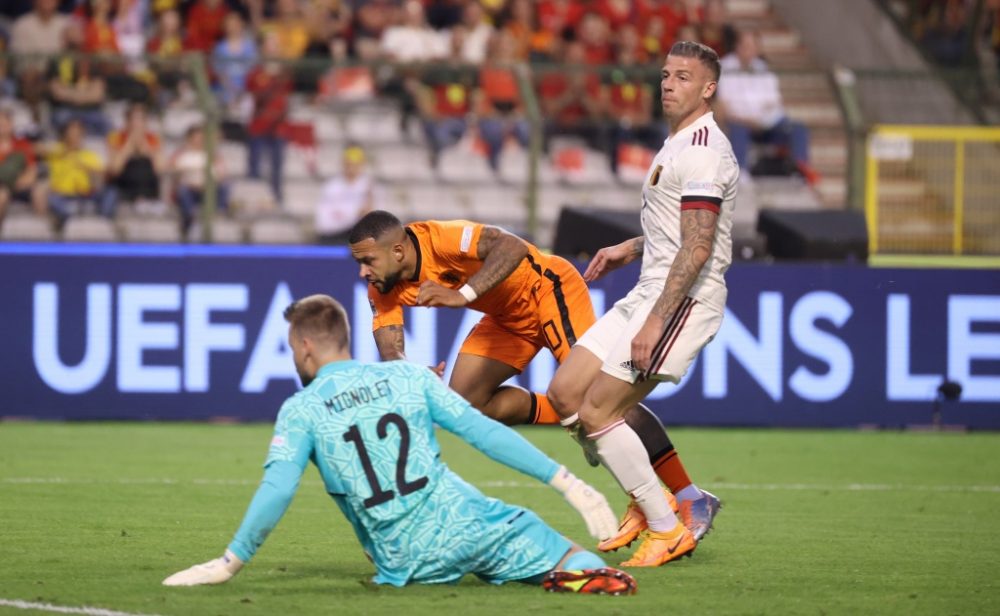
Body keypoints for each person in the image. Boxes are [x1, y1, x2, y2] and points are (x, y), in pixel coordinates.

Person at [162, 294, 635, 594]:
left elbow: (278, 489)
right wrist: (568, 483)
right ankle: (570, 572)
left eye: (291, 348)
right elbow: (483, 432)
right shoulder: (408, 377)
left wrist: (230, 562)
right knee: (575, 559)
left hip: (401, 559)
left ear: (305, 346)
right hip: (471, 527)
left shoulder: (301, 409)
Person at [347, 210, 715, 540]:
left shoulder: (442, 237)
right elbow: (390, 345)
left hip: (547, 289)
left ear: (397, 251)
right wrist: (409, 369)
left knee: (600, 396)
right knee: (467, 404)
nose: (363, 271)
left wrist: (463, 294)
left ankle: (689, 496)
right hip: (507, 320)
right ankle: (577, 419)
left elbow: (512, 246)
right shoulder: (382, 286)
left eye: (367, 261)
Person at [546, 41, 737, 567]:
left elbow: (699, 247)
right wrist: (629, 248)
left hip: (682, 298)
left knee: (600, 408)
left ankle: (666, 525)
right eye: (665, 74)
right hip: (649, 287)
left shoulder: (701, 150)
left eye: (683, 76)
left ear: (708, 88)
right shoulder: (675, 144)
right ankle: (648, 495)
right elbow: (676, 231)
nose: (669, 84)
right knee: (566, 394)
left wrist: (656, 321)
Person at [716, 30, 816, 184]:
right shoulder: (725, 68)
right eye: (744, 46)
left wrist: (763, 120)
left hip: (766, 124)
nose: (747, 50)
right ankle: (741, 174)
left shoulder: (764, 70)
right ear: (737, 47)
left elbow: (774, 103)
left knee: (797, 128)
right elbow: (723, 107)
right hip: (739, 122)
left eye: (752, 46)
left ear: (758, 49)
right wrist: (748, 120)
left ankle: (799, 172)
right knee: (737, 128)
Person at [314, 143, 377, 244]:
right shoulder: (331, 187)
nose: (352, 168)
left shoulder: (370, 186)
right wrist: (355, 216)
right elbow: (323, 224)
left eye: (356, 164)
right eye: (349, 164)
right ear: (343, 164)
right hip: (335, 239)